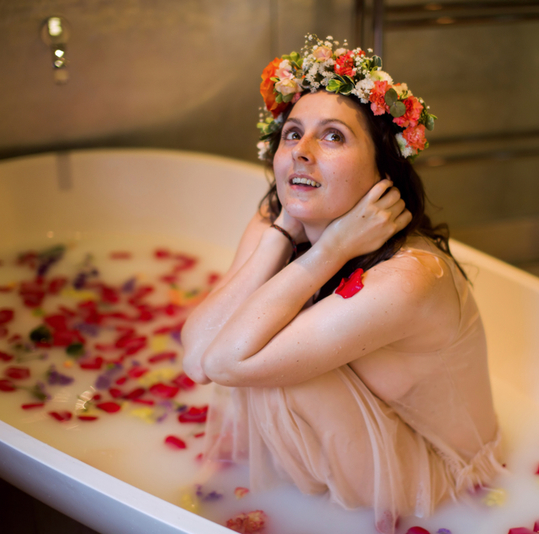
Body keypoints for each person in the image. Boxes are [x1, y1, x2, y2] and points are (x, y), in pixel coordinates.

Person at [181, 35, 503, 534]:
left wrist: (329, 252)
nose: (302, 153)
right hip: (362, 441)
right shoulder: (282, 215)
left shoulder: (406, 277)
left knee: (273, 365)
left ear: (382, 170)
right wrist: (284, 234)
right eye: (292, 134)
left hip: (436, 477)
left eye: (333, 137)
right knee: (263, 344)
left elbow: (227, 362)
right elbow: (197, 359)